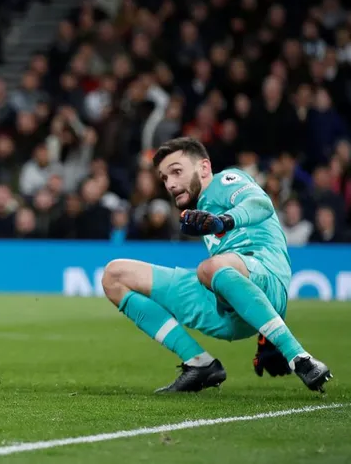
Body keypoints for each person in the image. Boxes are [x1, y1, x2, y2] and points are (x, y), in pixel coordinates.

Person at [101, 137, 331, 393]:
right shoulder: (201, 209)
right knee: (114, 275)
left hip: (265, 276)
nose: (171, 184)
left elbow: (261, 204)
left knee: (209, 268)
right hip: (224, 302)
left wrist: (224, 221)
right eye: (164, 178)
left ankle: (300, 357)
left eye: (177, 171)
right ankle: (199, 363)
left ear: (204, 168)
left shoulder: (225, 181)